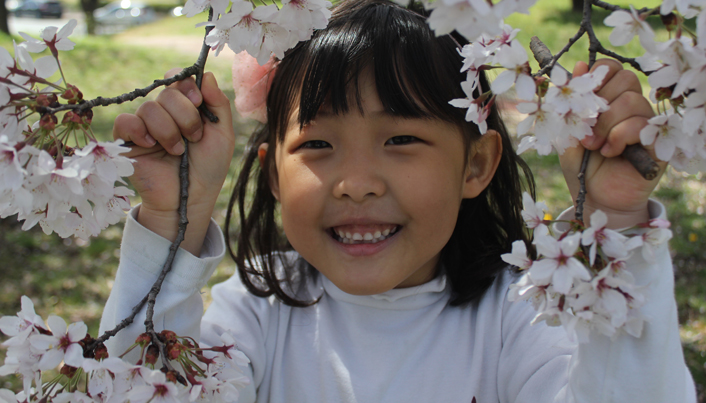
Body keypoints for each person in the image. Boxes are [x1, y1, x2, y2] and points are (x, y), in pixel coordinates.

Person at [101, 0, 697, 401]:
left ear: (477, 164)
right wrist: (170, 217)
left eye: (402, 138)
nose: (356, 182)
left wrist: (614, 223)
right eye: (317, 143)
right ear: (274, 176)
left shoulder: (521, 312)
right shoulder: (258, 310)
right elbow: (148, 387)